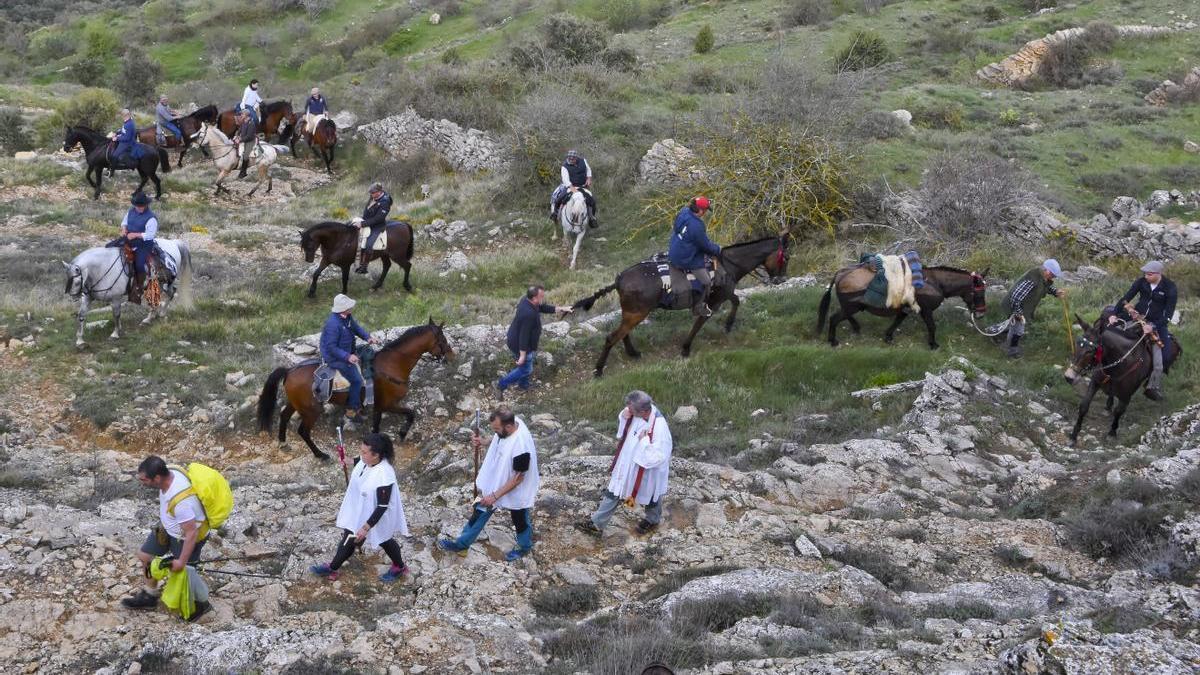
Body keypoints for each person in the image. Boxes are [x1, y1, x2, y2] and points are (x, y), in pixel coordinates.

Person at [438, 406, 540, 561]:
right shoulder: (512, 422)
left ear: (509, 426)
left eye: (497, 429)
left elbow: (519, 478)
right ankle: (462, 544)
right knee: (480, 511)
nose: (495, 432)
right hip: (498, 478)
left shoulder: (521, 447)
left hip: (517, 487)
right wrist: (484, 441)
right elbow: (500, 438)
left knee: (519, 517)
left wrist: (494, 496)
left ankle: (524, 548)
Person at [311, 433, 411, 582]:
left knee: (385, 539)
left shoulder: (384, 474)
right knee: (350, 536)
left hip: (379, 515)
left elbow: (382, 506)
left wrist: (365, 528)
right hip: (362, 508)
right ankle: (333, 567)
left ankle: (399, 566)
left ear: (376, 455)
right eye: (361, 450)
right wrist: (350, 460)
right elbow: (361, 460)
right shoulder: (368, 461)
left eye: (364, 452)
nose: (361, 454)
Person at [121, 455, 210, 621]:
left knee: (186, 573)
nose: (142, 482)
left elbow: (191, 533)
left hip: (184, 537)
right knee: (145, 556)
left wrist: (181, 561)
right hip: (167, 527)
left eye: (144, 480)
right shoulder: (171, 471)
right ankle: (150, 596)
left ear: (157, 478)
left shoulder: (182, 501)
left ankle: (201, 604)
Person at [576, 390, 673, 538]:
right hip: (627, 462)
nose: (628, 409)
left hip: (645, 469)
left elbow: (659, 456)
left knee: (650, 492)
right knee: (615, 490)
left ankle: (652, 520)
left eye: (630, 408)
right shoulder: (640, 412)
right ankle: (597, 524)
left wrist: (644, 440)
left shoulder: (659, 427)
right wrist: (624, 414)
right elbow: (626, 421)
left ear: (642, 411)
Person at [1109, 260, 1178, 400]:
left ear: (1158, 274)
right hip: (1136, 317)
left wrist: (1152, 326)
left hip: (1156, 324)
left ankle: (1152, 386)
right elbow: (1126, 298)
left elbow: (1168, 315)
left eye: (1149, 274)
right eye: (1145, 273)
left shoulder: (1170, 288)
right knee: (1109, 333)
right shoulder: (1141, 282)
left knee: (1163, 358)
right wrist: (1114, 314)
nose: (1146, 276)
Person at [499, 285, 572, 394]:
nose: (543, 298)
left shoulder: (526, 300)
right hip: (520, 344)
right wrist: (523, 355)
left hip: (515, 338)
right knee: (526, 369)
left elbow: (542, 307)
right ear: (534, 298)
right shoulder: (529, 314)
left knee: (524, 367)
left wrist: (562, 308)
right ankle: (501, 384)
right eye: (541, 296)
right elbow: (524, 335)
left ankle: (523, 385)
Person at [320, 293, 380, 423]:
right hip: (334, 358)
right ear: (342, 309)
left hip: (346, 350)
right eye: (349, 307)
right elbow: (331, 347)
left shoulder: (347, 317)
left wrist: (368, 337)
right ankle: (351, 411)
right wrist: (348, 357)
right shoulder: (333, 324)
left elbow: (356, 328)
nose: (351, 308)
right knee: (357, 380)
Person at [668, 196, 722, 318]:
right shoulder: (697, 225)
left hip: (674, 250)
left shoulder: (684, 212)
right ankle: (698, 308)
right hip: (684, 258)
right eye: (706, 210)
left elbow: (678, 229)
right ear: (701, 210)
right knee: (707, 281)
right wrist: (718, 249)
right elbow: (705, 245)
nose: (705, 213)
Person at [1002, 259, 1065, 358]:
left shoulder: (1043, 277)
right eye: (1053, 275)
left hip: (1023, 307)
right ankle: (1011, 349)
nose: (1054, 278)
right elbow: (1016, 297)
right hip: (1015, 305)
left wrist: (1055, 292)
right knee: (1018, 330)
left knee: (1012, 325)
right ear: (1047, 271)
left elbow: (1046, 286)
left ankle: (997, 334)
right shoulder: (1032, 279)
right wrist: (1018, 313)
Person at [105, 191, 160, 304]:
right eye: (137, 206)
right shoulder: (131, 211)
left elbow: (150, 235)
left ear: (146, 205)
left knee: (139, 264)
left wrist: (135, 234)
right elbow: (124, 222)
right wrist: (124, 229)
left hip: (143, 244)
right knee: (108, 247)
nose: (139, 208)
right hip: (129, 239)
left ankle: (138, 288)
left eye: (141, 206)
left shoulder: (151, 218)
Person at [549, 149, 597, 227]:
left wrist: (589, 178)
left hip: (582, 186)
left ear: (576, 158)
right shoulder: (564, 166)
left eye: (573, 158)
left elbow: (588, 170)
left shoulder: (583, 161)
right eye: (569, 158)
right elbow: (565, 180)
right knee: (559, 198)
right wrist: (573, 190)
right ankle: (555, 214)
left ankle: (592, 218)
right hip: (570, 186)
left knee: (592, 201)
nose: (571, 160)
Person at [353, 183, 392, 274]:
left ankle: (364, 267)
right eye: (370, 192)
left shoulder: (385, 202)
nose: (371, 194)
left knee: (369, 245)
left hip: (377, 226)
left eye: (373, 192)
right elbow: (368, 209)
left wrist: (362, 224)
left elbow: (378, 218)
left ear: (379, 192)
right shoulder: (373, 196)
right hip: (366, 222)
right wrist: (361, 220)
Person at [233, 109, 257, 179]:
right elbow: (240, 130)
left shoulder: (251, 123)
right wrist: (237, 135)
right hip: (243, 139)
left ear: (246, 115)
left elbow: (249, 136)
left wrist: (240, 140)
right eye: (241, 114)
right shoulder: (244, 122)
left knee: (246, 155)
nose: (241, 115)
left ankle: (243, 172)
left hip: (250, 141)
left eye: (242, 114)